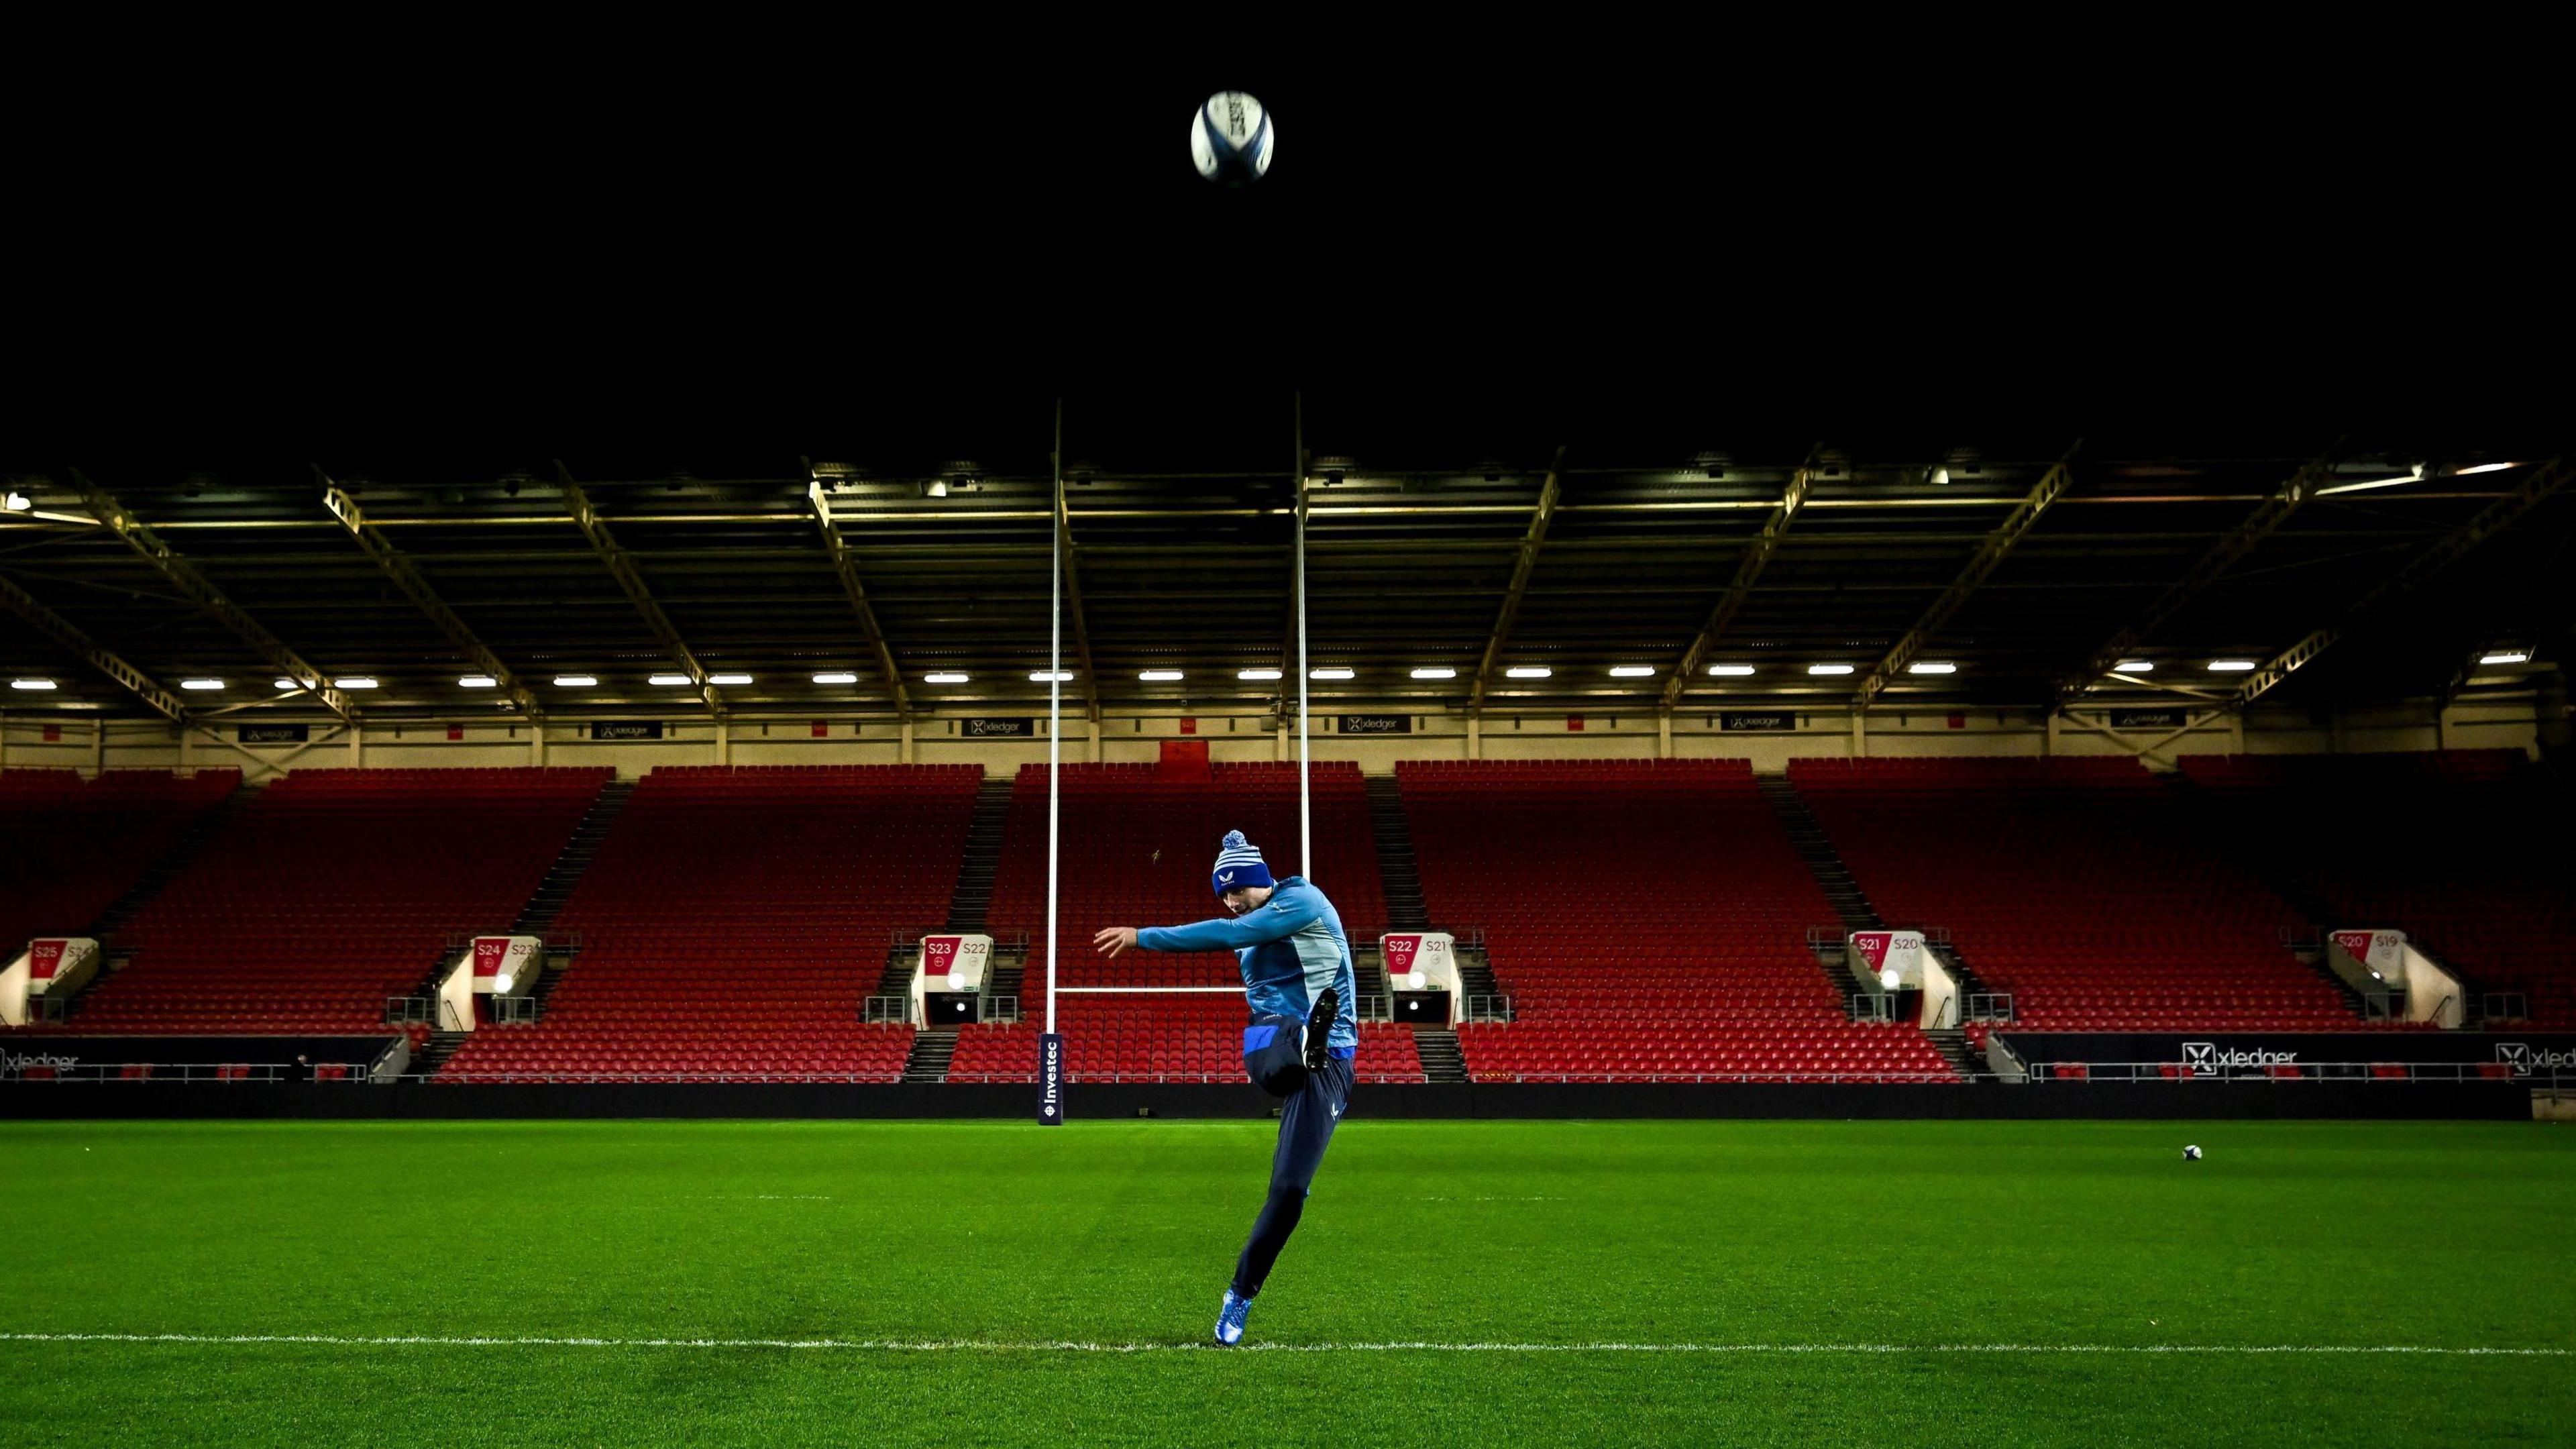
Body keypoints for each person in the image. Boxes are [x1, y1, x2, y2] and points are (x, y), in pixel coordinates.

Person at [1093, 828, 1357, 1346]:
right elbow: (1236, 935)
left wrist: (1142, 936)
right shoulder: (1251, 926)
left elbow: (1230, 933)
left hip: (1333, 1059)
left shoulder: (1302, 900)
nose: (1232, 902)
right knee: (1280, 1037)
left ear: (1258, 881)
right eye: (1224, 895)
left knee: (1288, 1191)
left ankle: (1240, 1294)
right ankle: (1303, 1040)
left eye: (1236, 890)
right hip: (1269, 1042)